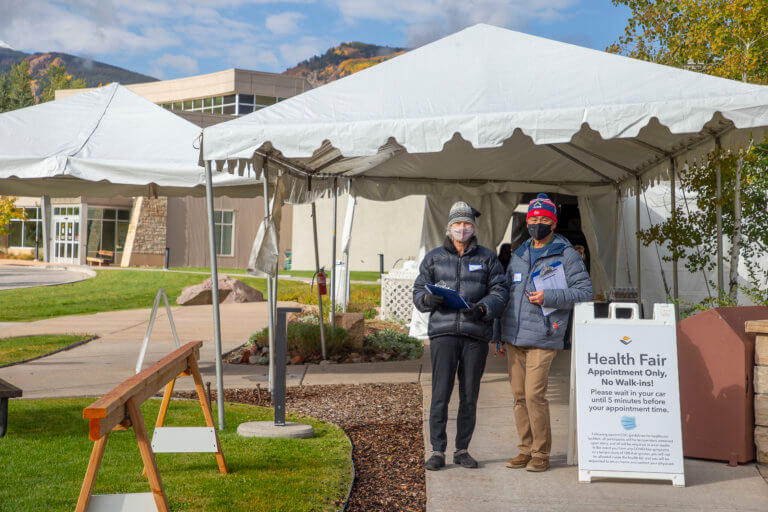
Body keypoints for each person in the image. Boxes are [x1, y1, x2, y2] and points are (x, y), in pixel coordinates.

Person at [495, 193, 593, 472]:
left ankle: (541, 453)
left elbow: (584, 292)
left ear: (553, 224)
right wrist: (498, 333)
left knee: (534, 394)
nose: (538, 222)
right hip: (514, 337)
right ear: (527, 222)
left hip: (544, 335)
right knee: (518, 396)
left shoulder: (567, 255)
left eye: (544, 219)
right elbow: (506, 293)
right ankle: (525, 449)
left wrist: (549, 296)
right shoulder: (519, 253)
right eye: (533, 218)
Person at [413, 201, 508, 471]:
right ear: (449, 227)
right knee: (440, 394)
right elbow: (418, 293)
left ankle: (462, 449)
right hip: (443, 334)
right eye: (457, 224)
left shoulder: (487, 258)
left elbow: (500, 292)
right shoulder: (433, 258)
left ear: (473, 227)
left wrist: (483, 308)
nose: (462, 228)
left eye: (466, 224)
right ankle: (437, 450)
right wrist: (427, 298)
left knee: (469, 395)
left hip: (475, 335)